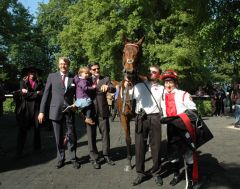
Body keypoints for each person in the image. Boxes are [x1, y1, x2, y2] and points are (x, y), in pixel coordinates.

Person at [160, 70, 200, 189]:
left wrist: (182, 117)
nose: (168, 85)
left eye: (170, 81)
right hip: (171, 129)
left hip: (183, 128)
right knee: (173, 154)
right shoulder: (162, 96)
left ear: (175, 82)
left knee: (188, 153)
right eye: (166, 82)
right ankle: (176, 175)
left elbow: (193, 110)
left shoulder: (184, 94)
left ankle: (191, 178)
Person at [38, 57, 80, 169]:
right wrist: (41, 111)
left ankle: (73, 158)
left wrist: (78, 105)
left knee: (71, 135)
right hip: (55, 110)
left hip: (69, 110)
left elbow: (78, 93)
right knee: (58, 136)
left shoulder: (73, 77)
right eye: (61, 64)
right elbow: (45, 95)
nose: (63, 66)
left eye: (65, 64)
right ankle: (61, 158)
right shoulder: (52, 76)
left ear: (68, 65)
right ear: (58, 65)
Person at [132, 65, 164, 186]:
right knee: (139, 146)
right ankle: (140, 173)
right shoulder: (138, 86)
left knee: (156, 146)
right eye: (149, 71)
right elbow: (127, 95)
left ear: (159, 75)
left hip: (155, 117)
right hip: (141, 117)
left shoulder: (161, 88)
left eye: (154, 72)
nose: (151, 73)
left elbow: (166, 102)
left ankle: (156, 172)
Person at [86, 62, 116, 169]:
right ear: (90, 71)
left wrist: (107, 87)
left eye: (98, 68)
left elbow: (114, 88)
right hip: (90, 112)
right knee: (91, 135)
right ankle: (94, 158)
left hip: (103, 111)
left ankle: (106, 155)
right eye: (94, 69)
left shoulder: (105, 79)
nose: (97, 71)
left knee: (105, 134)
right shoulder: (87, 79)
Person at [15, 67, 44, 158]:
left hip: (36, 108)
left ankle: (37, 148)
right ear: (28, 73)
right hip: (25, 109)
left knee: (37, 129)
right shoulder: (22, 82)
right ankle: (19, 151)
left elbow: (42, 94)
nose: (32, 74)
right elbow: (24, 96)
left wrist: (29, 92)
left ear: (36, 73)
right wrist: (36, 93)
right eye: (31, 72)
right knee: (22, 130)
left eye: (34, 72)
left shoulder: (40, 82)